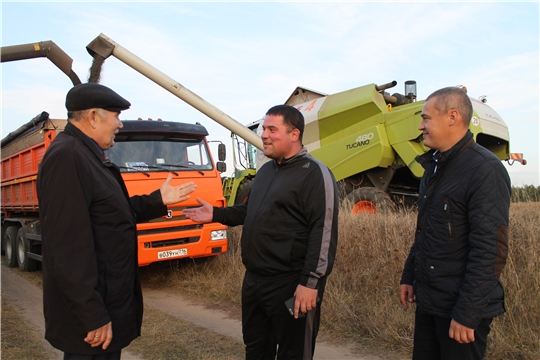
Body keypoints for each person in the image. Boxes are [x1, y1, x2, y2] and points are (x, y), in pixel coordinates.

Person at [37, 83, 196, 360]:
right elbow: (68, 247)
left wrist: (159, 199)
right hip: (93, 316)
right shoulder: (68, 157)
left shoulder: (87, 155)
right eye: (116, 116)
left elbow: (113, 213)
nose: (120, 124)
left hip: (106, 301)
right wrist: (92, 314)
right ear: (94, 117)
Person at [183, 105, 339, 360]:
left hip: (291, 285)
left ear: (294, 134)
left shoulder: (314, 174)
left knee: (294, 354)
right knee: (255, 350)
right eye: (263, 128)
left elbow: (324, 232)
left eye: (271, 129)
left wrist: (310, 283)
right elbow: (249, 212)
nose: (263, 134)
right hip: (255, 283)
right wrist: (216, 214)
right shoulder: (266, 171)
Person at [399, 87, 511, 360]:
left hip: (460, 310)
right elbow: (425, 231)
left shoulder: (484, 169)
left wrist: (467, 314)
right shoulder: (434, 168)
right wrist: (409, 275)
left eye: (426, 118)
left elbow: (489, 250)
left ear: (452, 116)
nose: (420, 125)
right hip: (430, 301)